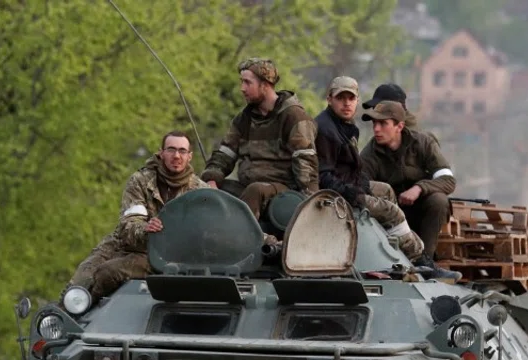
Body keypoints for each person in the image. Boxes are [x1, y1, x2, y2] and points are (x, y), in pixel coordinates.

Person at [67, 131, 207, 300]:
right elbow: (129, 223)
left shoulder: (201, 192)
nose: (176, 156)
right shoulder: (141, 181)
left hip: (167, 256)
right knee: (81, 280)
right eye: (171, 150)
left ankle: (91, 305)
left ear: (189, 156)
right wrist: (146, 229)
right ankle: (69, 311)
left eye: (182, 151)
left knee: (108, 272)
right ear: (161, 153)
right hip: (126, 243)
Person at [314, 75, 423, 260]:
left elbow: (352, 168)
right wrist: (353, 192)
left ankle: (394, 249)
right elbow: (322, 176)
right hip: (335, 195)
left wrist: (362, 183)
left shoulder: (344, 125)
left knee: (385, 190)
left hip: (348, 185)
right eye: (340, 98)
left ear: (357, 100)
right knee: (391, 212)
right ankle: (416, 257)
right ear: (329, 99)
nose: (346, 103)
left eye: (351, 98)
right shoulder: (326, 129)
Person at [200, 57, 319, 221]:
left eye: (248, 82)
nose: (242, 88)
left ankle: (239, 234)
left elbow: (306, 164)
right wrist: (211, 179)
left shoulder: (294, 117)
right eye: (242, 82)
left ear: (265, 85)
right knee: (205, 190)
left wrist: (310, 207)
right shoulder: (244, 119)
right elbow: (225, 153)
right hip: (248, 186)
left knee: (255, 190)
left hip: (282, 190)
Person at [360, 100, 459, 277]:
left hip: (420, 210)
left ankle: (425, 263)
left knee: (439, 200)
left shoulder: (423, 143)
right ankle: (391, 261)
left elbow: (448, 180)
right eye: (374, 123)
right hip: (390, 215)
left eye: (383, 123)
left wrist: (420, 188)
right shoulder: (369, 154)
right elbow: (362, 187)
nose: (376, 129)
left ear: (399, 126)